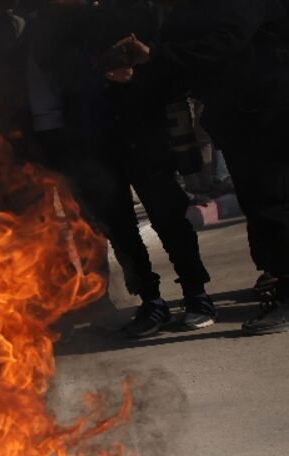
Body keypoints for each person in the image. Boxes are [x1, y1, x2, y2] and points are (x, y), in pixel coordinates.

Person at [103, 1, 289, 334]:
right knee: (261, 203)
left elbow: (228, 38)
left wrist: (156, 56)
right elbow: (180, 42)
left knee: (271, 202)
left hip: (267, 109)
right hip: (240, 113)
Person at [30, 1, 214, 339]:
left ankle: (196, 295)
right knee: (120, 227)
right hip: (94, 135)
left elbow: (174, 57)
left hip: (144, 128)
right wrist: (97, 66)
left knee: (168, 215)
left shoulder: (142, 7)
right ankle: (150, 300)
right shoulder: (64, 17)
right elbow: (50, 63)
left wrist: (144, 61)